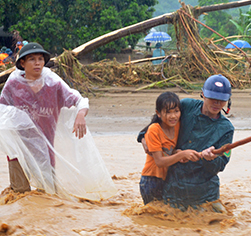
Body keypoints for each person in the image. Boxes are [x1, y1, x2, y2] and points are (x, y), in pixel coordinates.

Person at [0, 42, 116, 200]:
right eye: (32, 59)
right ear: (22, 63)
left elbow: (79, 100)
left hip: (45, 149)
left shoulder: (53, 84)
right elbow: (2, 110)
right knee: (19, 195)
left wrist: (80, 115)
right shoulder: (14, 84)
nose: (37, 63)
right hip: (19, 150)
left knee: (47, 195)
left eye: (40, 59)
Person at [139, 74, 234, 213]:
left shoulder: (226, 129)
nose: (217, 104)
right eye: (213, 98)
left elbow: (221, 164)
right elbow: (163, 120)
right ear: (203, 94)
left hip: (205, 193)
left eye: (221, 100)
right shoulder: (187, 106)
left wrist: (211, 159)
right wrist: (143, 135)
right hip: (174, 188)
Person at [139, 91, 201, 205]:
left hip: (166, 179)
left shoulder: (176, 126)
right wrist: (181, 155)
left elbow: (169, 151)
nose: (173, 116)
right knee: (153, 216)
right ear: (158, 113)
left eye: (176, 111)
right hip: (150, 180)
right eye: (168, 112)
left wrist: (177, 152)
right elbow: (159, 162)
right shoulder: (154, 130)